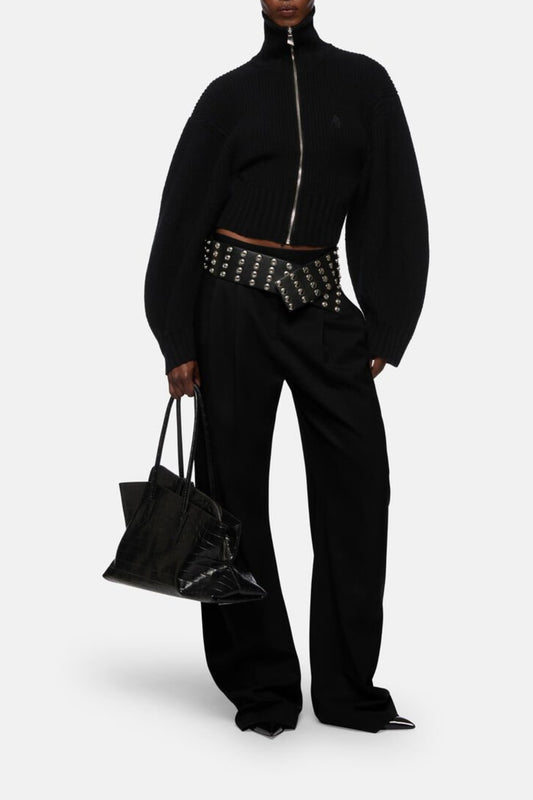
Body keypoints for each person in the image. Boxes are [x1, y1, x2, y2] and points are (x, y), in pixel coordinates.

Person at [143, 0, 429, 738]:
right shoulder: (228, 96)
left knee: (358, 489)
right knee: (233, 496)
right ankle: (264, 685)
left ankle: (347, 692)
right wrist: (177, 337)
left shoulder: (364, 84)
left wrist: (388, 320)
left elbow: (392, 200)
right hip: (230, 303)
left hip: (322, 304)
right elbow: (182, 213)